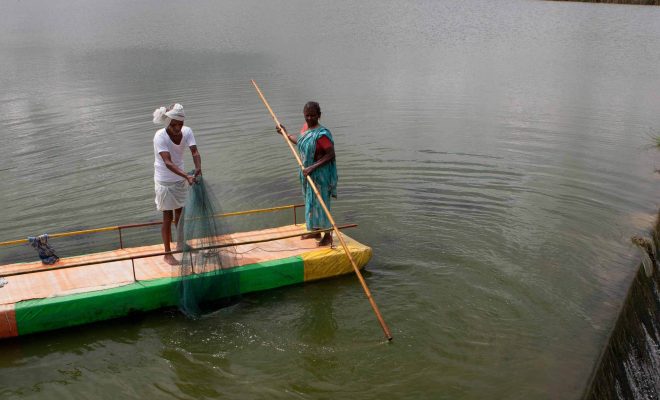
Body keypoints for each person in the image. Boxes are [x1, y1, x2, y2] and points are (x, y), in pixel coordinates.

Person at [277, 101, 338, 246]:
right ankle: (315, 231)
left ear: (319, 115)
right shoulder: (305, 129)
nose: (309, 118)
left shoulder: (322, 135)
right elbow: (300, 142)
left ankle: (328, 234)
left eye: (313, 115)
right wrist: (285, 134)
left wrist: (313, 167)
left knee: (321, 203)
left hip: (320, 175)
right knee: (311, 202)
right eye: (307, 115)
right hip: (307, 174)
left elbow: (331, 154)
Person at [152, 103, 201, 265]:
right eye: (174, 125)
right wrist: (187, 176)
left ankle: (180, 243)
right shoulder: (160, 136)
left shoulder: (187, 132)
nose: (177, 128)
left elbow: (194, 151)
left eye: (180, 124)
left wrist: (198, 168)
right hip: (165, 181)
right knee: (168, 216)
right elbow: (167, 162)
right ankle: (167, 254)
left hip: (180, 178)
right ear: (168, 122)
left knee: (180, 213)